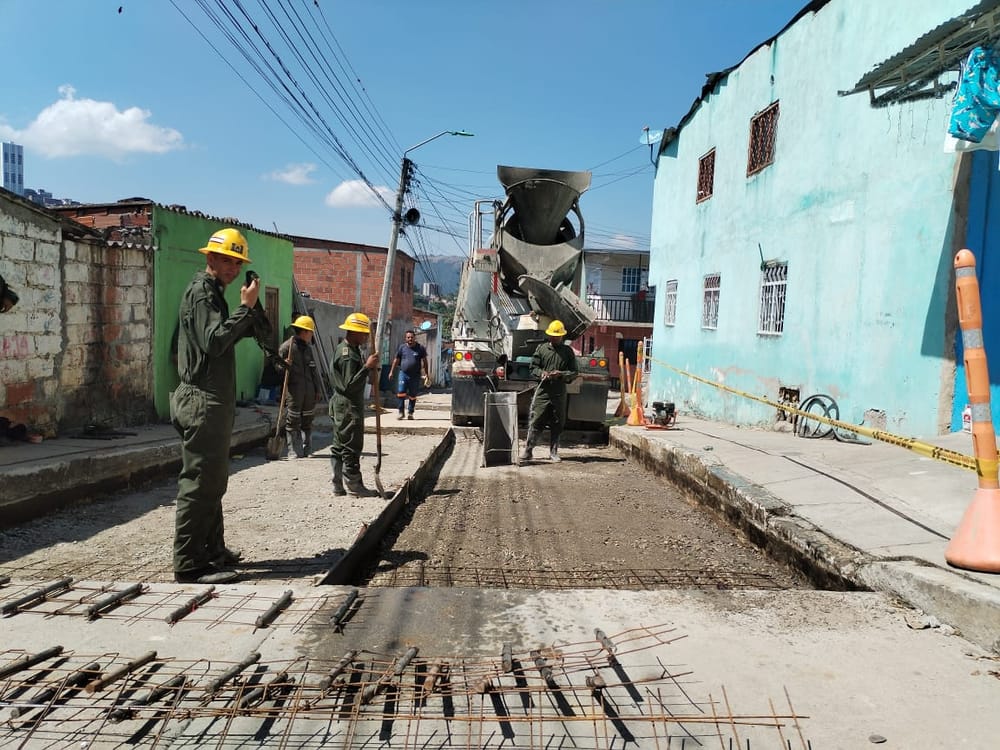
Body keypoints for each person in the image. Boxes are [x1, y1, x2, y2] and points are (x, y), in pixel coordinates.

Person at [171, 228, 271, 585]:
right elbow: (214, 342)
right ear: (209, 258)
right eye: (226, 260)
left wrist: (251, 310)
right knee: (200, 483)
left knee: (212, 482)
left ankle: (212, 551)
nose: (231, 268)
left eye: (237, 262)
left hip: (213, 401)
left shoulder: (215, 295)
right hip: (202, 400)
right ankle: (188, 564)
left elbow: (255, 334)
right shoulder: (202, 294)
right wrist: (244, 309)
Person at [329, 311, 381, 497]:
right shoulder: (348, 356)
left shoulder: (351, 350)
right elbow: (349, 385)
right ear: (354, 332)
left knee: (339, 444)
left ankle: (337, 485)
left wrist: (370, 368)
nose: (366, 336)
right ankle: (354, 486)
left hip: (342, 405)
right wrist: (366, 367)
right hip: (348, 406)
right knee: (351, 445)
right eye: (364, 333)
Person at [519, 319, 579, 463]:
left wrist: (561, 374)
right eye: (553, 336)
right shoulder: (542, 349)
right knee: (536, 419)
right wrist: (542, 373)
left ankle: (553, 452)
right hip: (543, 392)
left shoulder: (567, 352)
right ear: (549, 335)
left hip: (559, 392)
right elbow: (533, 367)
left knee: (558, 422)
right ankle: (528, 451)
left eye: (557, 336)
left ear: (562, 337)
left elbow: (574, 372)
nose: (555, 338)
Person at [278, 315, 324, 458]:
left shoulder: (308, 349)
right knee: (293, 420)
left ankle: (307, 448)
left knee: (308, 419)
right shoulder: (287, 347)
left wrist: (317, 389)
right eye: (310, 332)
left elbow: (313, 370)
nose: (311, 335)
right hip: (294, 390)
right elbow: (275, 368)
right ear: (304, 331)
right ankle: (293, 450)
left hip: (308, 390)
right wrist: (284, 365)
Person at [388, 329, 430, 420]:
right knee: (401, 392)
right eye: (408, 337)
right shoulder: (402, 348)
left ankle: (410, 412)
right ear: (405, 338)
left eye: (411, 337)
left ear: (414, 338)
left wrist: (427, 374)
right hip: (403, 373)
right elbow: (396, 360)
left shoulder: (420, 348)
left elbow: (425, 362)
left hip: (415, 375)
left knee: (413, 394)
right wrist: (391, 371)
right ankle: (401, 412)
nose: (410, 339)